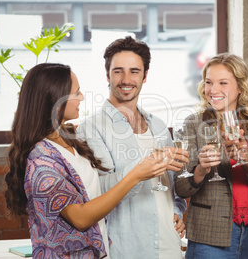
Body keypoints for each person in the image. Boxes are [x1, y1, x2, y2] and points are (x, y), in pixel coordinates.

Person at [4, 63, 168, 258]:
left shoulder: (68, 138)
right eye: (76, 93)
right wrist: (135, 176)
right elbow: (81, 218)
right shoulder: (41, 160)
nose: (82, 97)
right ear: (55, 99)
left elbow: (92, 188)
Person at [76, 36, 188, 259]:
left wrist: (177, 211)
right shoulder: (90, 129)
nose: (126, 79)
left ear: (145, 76)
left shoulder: (157, 125)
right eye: (118, 71)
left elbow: (172, 185)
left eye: (134, 71)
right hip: (126, 248)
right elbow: (96, 190)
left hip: (170, 246)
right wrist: (139, 170)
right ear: (107, 74)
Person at [175, 53, 248, 259]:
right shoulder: (193, 123)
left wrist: (247, 156)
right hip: (209, 234)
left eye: (223, 83)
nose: (213, 90)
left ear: (240, 87)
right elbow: (181, 187)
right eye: (208, 82)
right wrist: (200, 170)